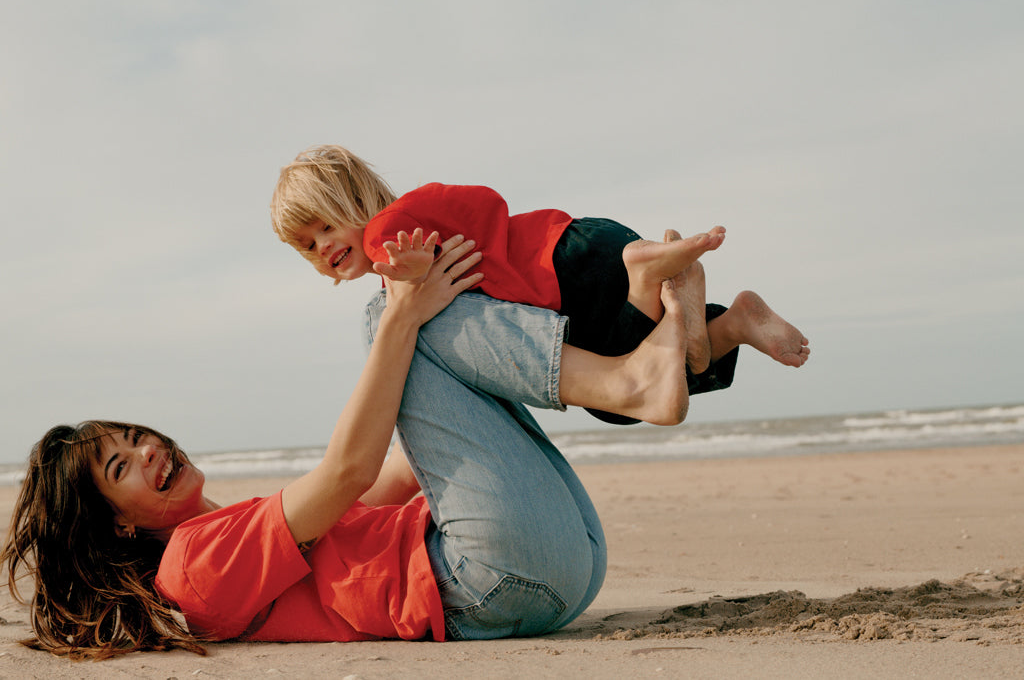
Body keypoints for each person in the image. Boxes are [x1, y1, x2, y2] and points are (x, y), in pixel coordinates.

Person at [3, 234, 705, 660]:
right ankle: (631, 376)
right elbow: (347, 469)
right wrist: (401, 312)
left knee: (420, 321)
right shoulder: (191, 565)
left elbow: (385, 478)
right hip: (490, 580)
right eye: (123, 465)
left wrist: (451, 367)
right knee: (388, 318)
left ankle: (638, 330)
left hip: (552, 563)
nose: (150, 449)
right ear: (118, 521)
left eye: (135, 436)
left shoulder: (231, 529)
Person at [270, 144, 810, 424]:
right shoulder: (424, 208)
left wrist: (409, 273)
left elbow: (410, 270)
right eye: (307, 245)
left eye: (325, 224)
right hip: (585, 243)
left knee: (620, 393)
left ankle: (655, 276)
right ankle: (726, 317)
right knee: (647, 379)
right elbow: (484, 200)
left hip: (563, 277)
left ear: (357, 203)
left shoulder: (387, 239)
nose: (323, 247)